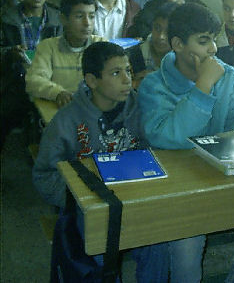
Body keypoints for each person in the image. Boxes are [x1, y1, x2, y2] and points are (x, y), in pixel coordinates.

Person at [137, 3, 234, 283]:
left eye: (213, 39)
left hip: (220, 180)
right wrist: (202, 88)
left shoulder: (225, 73)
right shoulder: (154, 86)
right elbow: (169, 138)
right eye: (203, 42)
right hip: (178, 191)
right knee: (186, 244)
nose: (213, 50)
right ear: (178, 44)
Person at [32, 41, 169, 281]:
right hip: (90, 207)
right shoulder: (66, 121)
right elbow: (44, 175)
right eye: (116, 73)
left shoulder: (142, 108)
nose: (127, 79)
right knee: (98, 244)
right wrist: (81, 199)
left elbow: (158, 153)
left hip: (136, 198)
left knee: (158, 241)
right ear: (92, 81)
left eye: (128, 70)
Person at [0, 0, 62, 144]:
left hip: (51, 80)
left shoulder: (59, 19)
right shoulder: (6, 18)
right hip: (16, 81)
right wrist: (10, 53)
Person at [26, 0, 104, 107]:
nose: (87, 23)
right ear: (63, 19)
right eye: (79, 16)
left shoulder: (101, 45)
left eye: (92, 16)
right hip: (60, 109)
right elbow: (34, 80)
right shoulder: (48, 47)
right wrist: (58, 93)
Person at [127, 1, 177, 88]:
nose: (161, 36)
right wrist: (134, 83)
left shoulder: (183, 59)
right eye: (157, 28)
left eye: (168, 31)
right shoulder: (131, 56)